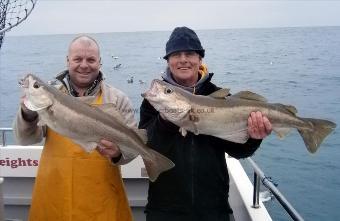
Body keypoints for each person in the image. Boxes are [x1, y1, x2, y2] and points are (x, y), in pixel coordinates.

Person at [139, 26, 272, 221]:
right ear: (168, 61)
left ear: (200, 59)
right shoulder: (154, 101)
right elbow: (147, 146)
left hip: (214, 209)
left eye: (190, 53)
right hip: (164, 209)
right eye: (176, 54)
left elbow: (239, 151)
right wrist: (165, 122)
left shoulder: (220, 97)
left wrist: (253, 138)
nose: (183, 59)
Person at [13, 35, 137, 221]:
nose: (84, 65)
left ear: (100, 62)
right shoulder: (47, 95)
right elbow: (26, 139)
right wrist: (28, 114)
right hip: (55, 197)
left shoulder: (117, 100)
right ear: (68, 61)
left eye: (91, 59)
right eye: (78, 59)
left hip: (102, 201)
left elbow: (132, 150)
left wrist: (118, 153)